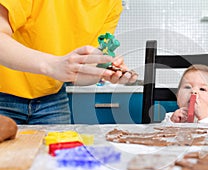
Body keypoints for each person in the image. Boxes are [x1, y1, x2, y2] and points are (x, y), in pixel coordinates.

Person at [0, 1, 137, 124]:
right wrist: (53, 65)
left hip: (52, 99)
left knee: (61, 151)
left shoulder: (113, 4)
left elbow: (81, 67)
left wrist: (103, 71)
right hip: (3, 97)